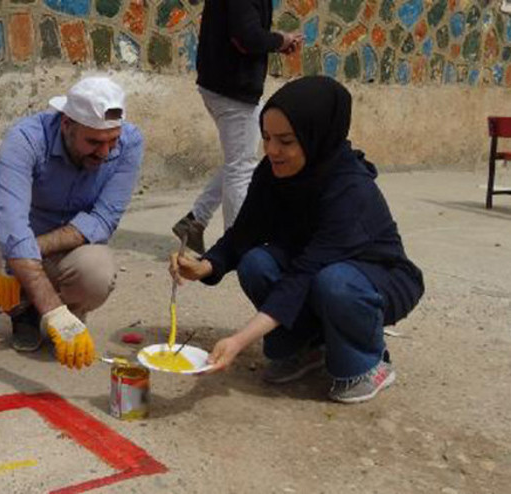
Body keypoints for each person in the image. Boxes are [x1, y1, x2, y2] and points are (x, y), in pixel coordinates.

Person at [169, 76, 424, 403]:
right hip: (314, 271)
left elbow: (305, 274)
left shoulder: (350, 190)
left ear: (315, 136)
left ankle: (367, 363)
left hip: (372, 280)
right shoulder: (272, 172)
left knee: (334, 282)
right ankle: (304, 348)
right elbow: (245, 233)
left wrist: (239, 340)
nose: (273, 150)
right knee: (256, 263)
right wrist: (205, 265)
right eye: (267, 138)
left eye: (286, 141)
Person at [0, 77, 143, 370]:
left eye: (112, 141)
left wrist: (27, 252)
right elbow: (12, 224)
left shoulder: (130, 142)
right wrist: (50, 307)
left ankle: (64, 310)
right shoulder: (26, 139)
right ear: (66, 125)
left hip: (74, 250)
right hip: (17, 238)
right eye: (94, 142)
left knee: (96, 273)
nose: (105, 152)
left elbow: (103, 219)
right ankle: (27, 309)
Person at [172, 0, 303, 254]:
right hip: (232, 89)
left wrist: (277, 43)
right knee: (241, 166)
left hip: (225, 86)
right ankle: (237, 243)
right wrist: (280, 40)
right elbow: (246, 37)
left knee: (239, 159)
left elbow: (245, 35)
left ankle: (195, 221)